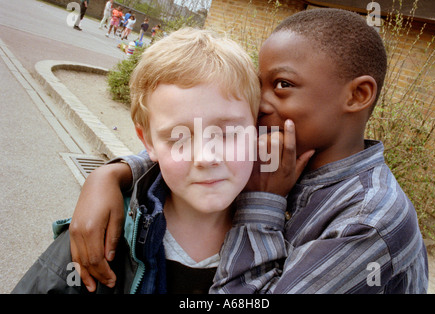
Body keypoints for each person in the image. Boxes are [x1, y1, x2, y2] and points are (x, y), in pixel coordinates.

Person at [67, 8, 429, 294]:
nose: (260, 103)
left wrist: (261, 204)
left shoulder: (367, 222)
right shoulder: (292, 148)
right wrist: (112, 174)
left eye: (282, 85)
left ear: (357, 95)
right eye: (260, 85)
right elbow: (190, 146)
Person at [12, 28, 264, 294]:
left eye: (228, 133)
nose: (206, 157)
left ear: (257, 127)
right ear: (148, 142)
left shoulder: (288, 233)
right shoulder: (101, 232)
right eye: (179, 138)